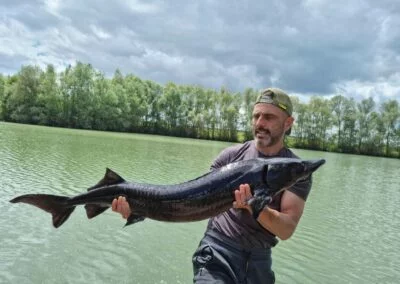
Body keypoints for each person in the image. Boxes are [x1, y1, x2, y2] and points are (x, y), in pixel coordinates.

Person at [112, 88, 312, 284]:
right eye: (256, 116)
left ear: (288, 123)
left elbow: (286, 230)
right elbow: (188, 203)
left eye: (269, 117)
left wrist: (254, 205)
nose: (260, 123)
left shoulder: (294, 171)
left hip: (259, 262)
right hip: (217, 251)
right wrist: (137, 208)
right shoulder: (230, 157)